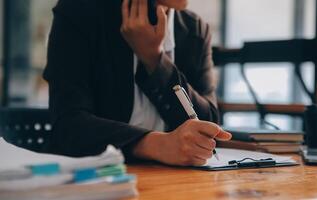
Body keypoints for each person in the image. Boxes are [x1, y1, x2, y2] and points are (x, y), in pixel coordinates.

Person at [43, 0, 231, 166]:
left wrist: (155, 60)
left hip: (171, 181)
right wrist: (157, 145)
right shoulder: (79, 11)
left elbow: (209, 125)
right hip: (94, 180)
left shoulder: (195, 29)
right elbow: (68, 125)